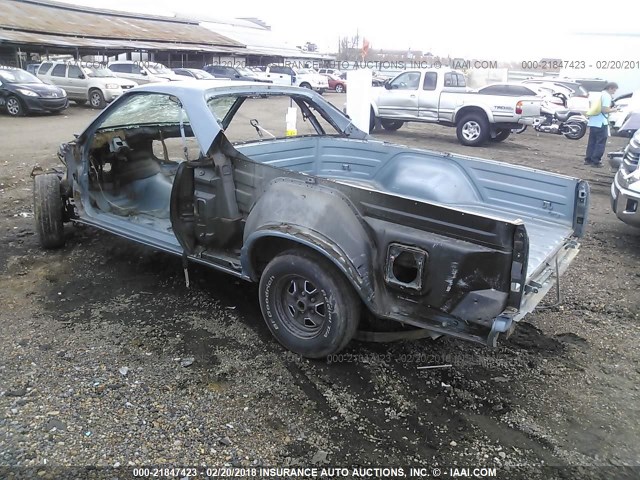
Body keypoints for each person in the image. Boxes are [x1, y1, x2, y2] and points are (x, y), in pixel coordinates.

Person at [584, 82, 619, 167]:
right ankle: (596, 161)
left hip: (593, 121)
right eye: (614, 89)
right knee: (600, 143)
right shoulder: (607, 96)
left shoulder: (597, 95)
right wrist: (614, 110)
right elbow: (604, 110)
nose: (614, 92)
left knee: (592, 142)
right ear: (610, 88)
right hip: (601, 122)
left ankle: (588, 159)